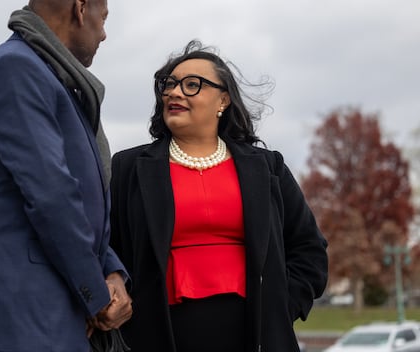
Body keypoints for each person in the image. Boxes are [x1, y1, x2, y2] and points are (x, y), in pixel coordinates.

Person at [0, 0, 132, 351]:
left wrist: (112, 272)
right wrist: (95, 295)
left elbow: (82, 204)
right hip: (23, 301)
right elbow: (52, 195)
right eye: (103, 17)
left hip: (51, 300)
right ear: (81, 8)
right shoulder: (16, 68)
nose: (105, 33)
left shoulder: (50, 78)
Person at [109, 40, 328, 352]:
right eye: (168, 84)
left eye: (192, 84)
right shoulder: (128, 168)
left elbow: (310, 249)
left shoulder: (268, 168)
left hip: (254, 335)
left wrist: (280, 308)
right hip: (159, 335)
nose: (174, 92)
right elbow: (106, 247)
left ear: (223, 99)